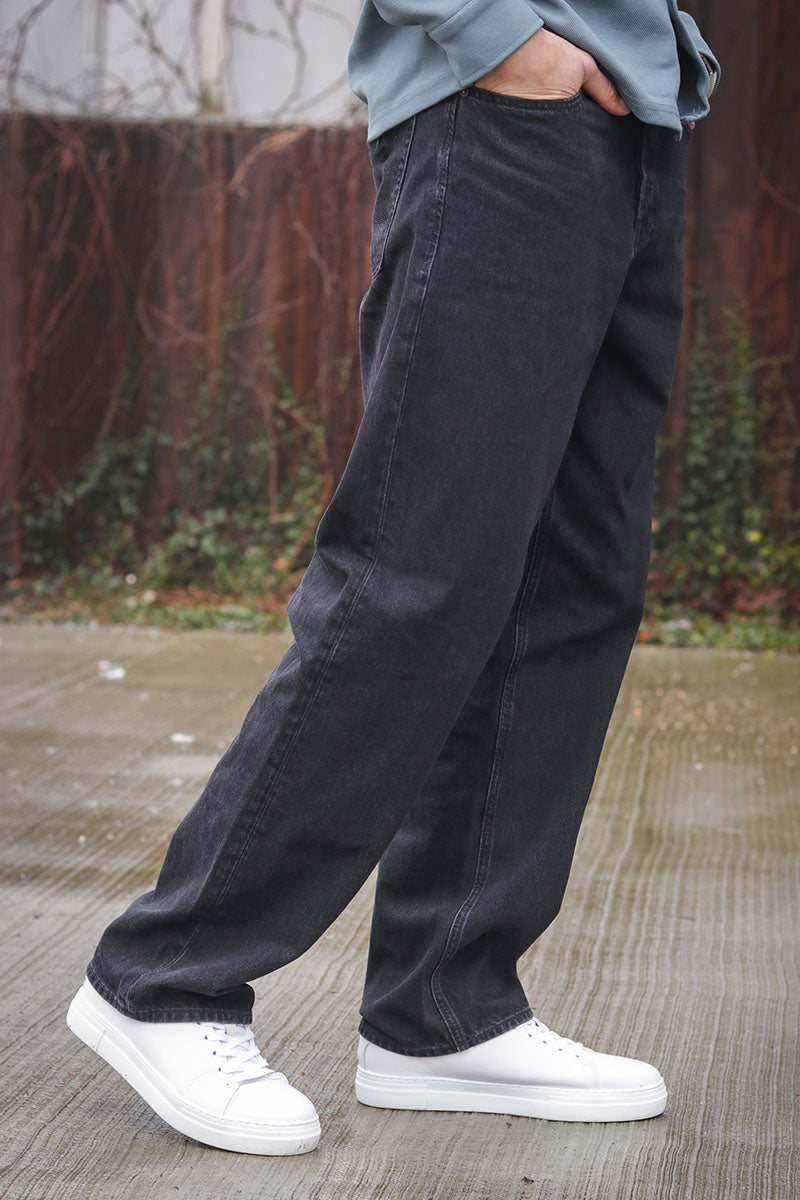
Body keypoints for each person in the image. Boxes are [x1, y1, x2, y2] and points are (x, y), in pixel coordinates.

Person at [66, 0, 721, 1157]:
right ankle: (168, 976)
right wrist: (494, 33)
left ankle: (444, 1005)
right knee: (417, 572)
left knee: (574, 582)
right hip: (504, 107)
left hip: (634, 117)